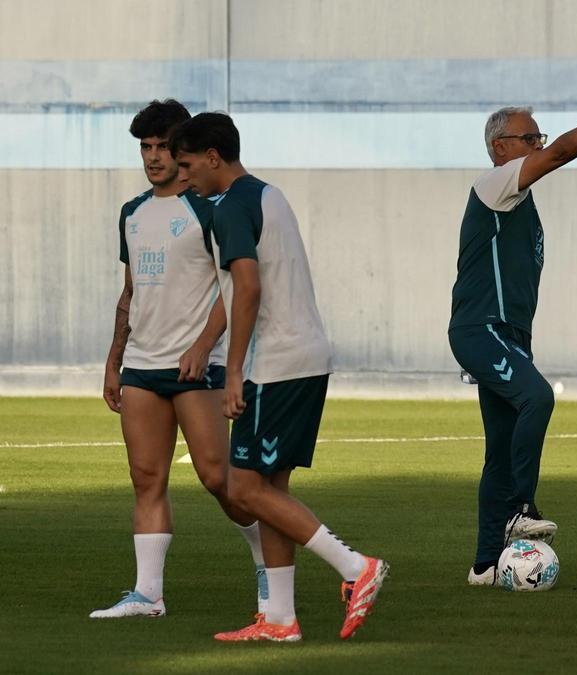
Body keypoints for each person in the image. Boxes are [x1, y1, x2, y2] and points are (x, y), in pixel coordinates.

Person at [170, 112, 388, 642]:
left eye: (187, 164)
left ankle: (356, 567)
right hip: (306, 356)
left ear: (213, 157)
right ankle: (281, 620)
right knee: (271, 489)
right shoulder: (268, 195)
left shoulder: (231, 209)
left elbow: (247, 288)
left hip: (278, 364)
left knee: (242, 487)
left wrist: (236, 369)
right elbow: (242, 287)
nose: (183, 177)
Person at [449, 95, 577, 586]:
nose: (539, 146)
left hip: (508, 334)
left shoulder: (517, 197)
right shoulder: (496, 182)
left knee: (500, 449)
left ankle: (484, 566)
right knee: (538, 397)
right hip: (481, 328)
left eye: (538, 138)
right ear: (500, 148)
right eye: (529, 139)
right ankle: (521, 509)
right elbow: (563, 153)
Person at [92, 99, 266, 620]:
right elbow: (130, 293)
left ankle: (269, 565)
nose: (152, 157)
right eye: (144, 148)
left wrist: (201, 346)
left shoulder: (211, 208)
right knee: (146, 477)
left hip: (198, 369)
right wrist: (113, 360)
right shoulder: (132, 212)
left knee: (219, 477)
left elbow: (233, 286)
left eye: (162, 146)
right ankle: (148, 595)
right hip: (142, 367)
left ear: (183, 148)